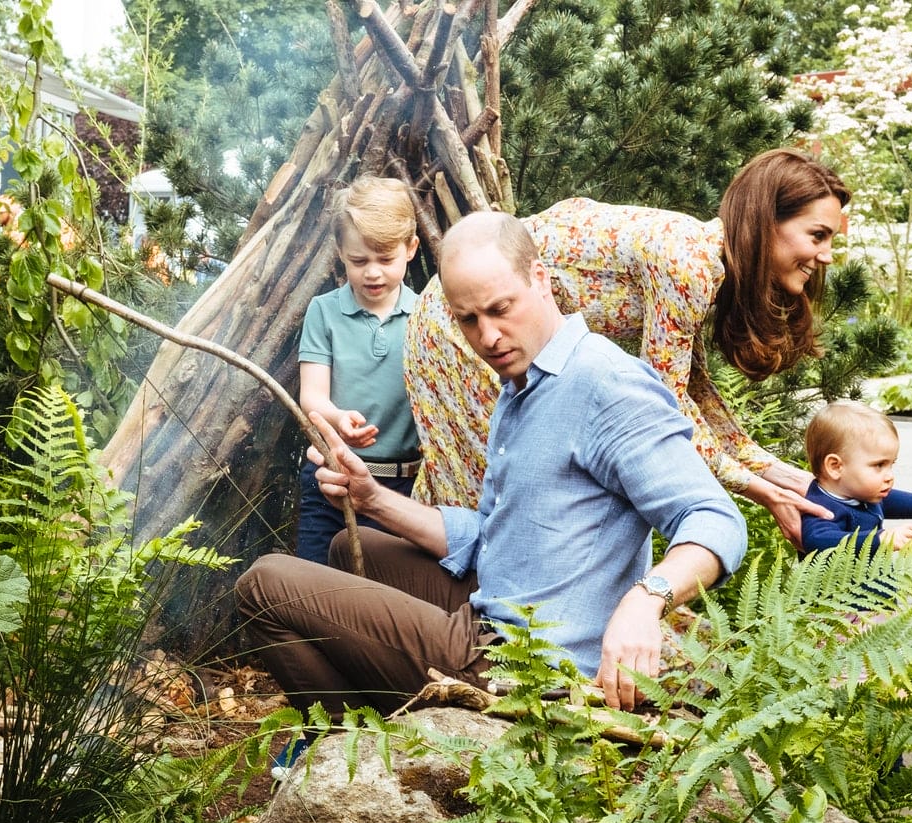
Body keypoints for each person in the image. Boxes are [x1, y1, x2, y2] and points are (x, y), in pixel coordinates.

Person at [237, 212, 746, 766]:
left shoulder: (607, 385)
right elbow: (496, 537)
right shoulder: (522, 385)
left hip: (525, 666)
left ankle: (355, 748)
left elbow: (714, 519)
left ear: (542, 280)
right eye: (468, 320)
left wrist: (646, 600)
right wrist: (373, 499)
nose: (489, 337)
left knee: (264, 583)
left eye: (501, 309)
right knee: (346, 549)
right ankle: (381, 726)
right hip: (502, 603)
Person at [405, 148, 850, 550]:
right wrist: (757, 489)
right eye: (817, 235)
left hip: (476, 319)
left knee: (483, 487)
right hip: (456, 322)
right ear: (767, 221)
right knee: (493, 494)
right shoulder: (689, 263)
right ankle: (476, 628)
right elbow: (668, 408)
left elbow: (693, 391)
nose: (826, 255)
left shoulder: (704, 261)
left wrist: (777, 473)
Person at [295, 176, 423, 564]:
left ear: (411, 249)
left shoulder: (425, 316)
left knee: (385, 598)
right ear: (340, 252)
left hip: (403, 486)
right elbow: (312, 395)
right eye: (359, 260)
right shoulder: (324, 311)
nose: (373, 273)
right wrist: (337, 418)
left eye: (386, 259)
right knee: (317, 589)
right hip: (331, 477)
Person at [800, 400, 912, 562]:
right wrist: (879, 539)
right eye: (879, 465)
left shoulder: (861, 493)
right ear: (835, 467)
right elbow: (817, 540)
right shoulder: (821, 507)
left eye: (891, 464)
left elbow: (890, 500)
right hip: (839, 588)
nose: (889, 476)